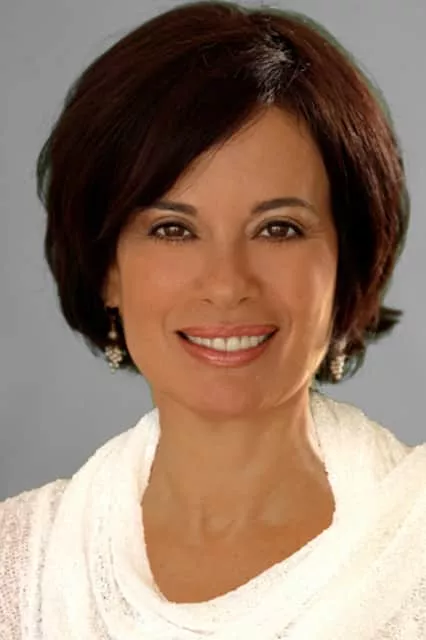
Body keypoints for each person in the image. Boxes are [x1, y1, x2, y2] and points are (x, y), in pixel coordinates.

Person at [1, 1, 425, 638]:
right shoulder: (17, 566)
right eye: (173, 229)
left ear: (348, 262)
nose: (227, 285)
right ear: (106, 268)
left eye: (278, 228)